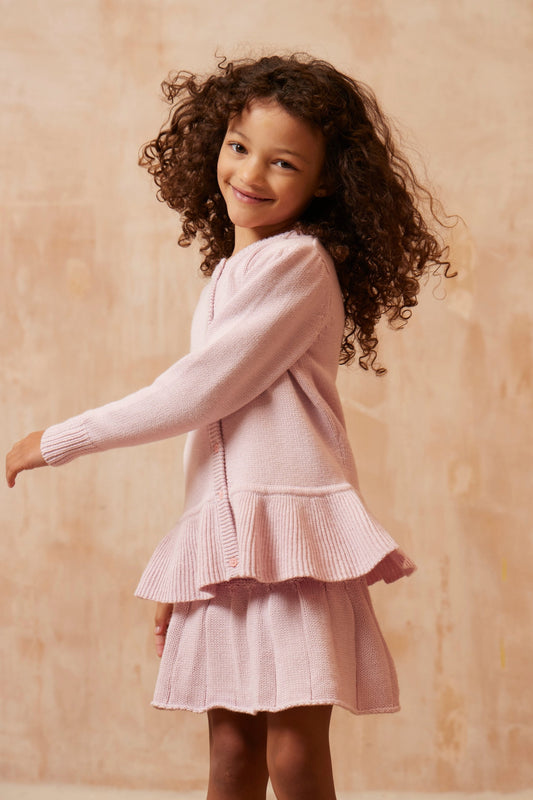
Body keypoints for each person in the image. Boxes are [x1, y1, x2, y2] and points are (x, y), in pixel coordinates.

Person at [6, 54, 452, 800]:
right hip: (236, 543)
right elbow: (220, 442)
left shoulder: (298, 264)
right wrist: (196, 560)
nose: (250, 173)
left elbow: (197, 392)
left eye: (284, 162)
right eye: (239, 146)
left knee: (293, 754)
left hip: (290, 537)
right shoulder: (229, 276)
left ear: (325, 182)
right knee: (231, 755)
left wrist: (56, 440)